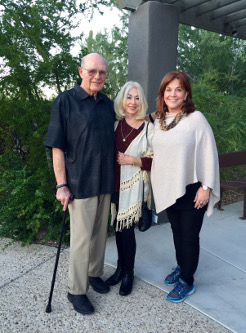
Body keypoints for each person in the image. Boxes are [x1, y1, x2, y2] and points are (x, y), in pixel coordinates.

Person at [45, 53, 115, 315]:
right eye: (92, 71)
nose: (97, 76)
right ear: (80, 71)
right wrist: (61, 185)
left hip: (104, 179)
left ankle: (94, 273)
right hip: (80, 181)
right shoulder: (65, 102)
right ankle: (76, 290)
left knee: (99, 236)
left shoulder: (107, 104)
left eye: (102, 72)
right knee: (82, 239)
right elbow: (57, 147)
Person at [150, 71, 220, 303]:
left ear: (186, 93)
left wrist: (207, 187)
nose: (173, 94)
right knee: (177, 233)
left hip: (192, 189)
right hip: (170, 188)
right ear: (162, 94)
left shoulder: (196, 119)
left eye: (178, 89)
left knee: (189, 237)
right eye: (168, 89)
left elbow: (210, 152)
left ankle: (187, 281)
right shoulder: (159, 121)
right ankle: (182, 266)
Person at [105, 81, 154, 296]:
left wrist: (132, 160)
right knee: (118, 229)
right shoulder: (115, 125)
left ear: (141, 101)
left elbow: (157, 160)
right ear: (122, 101)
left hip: (134, 188)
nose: (132, 102)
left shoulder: (148, 128)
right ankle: (120, 268)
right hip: (115, 186)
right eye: (128, 97)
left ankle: (128, 273)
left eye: (136, 98)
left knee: (127, 232)